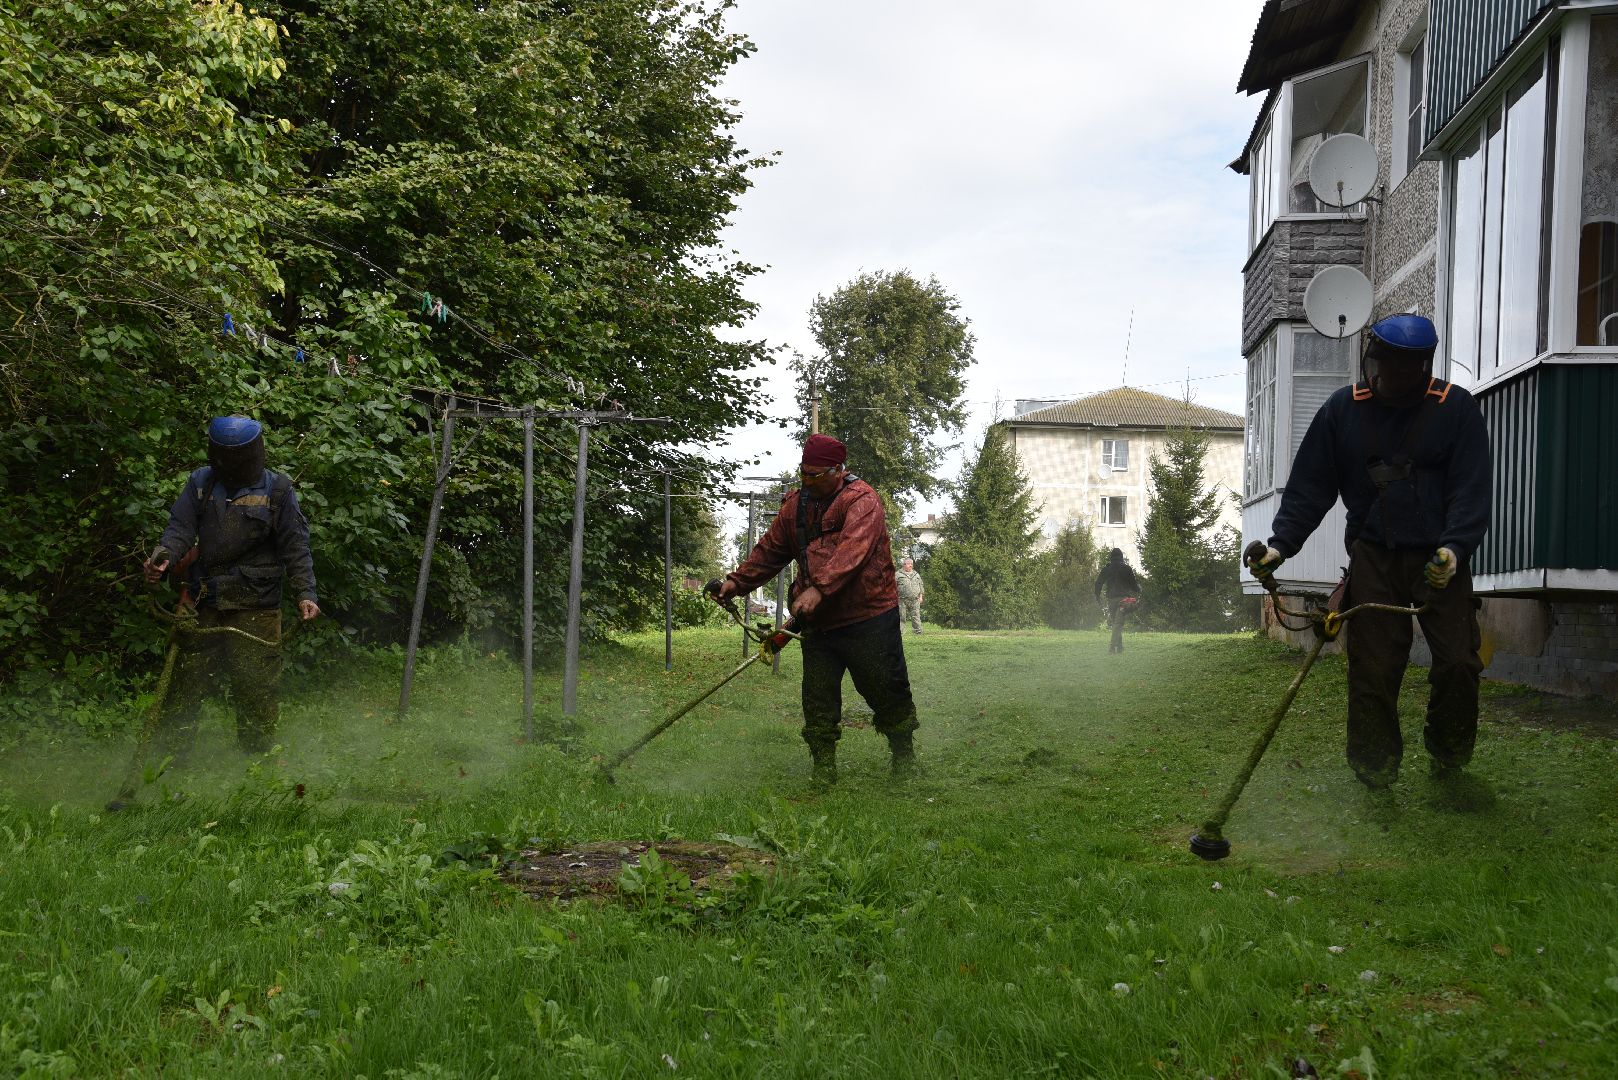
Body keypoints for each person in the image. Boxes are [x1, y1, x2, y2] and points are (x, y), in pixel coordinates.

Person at [1244, 314, 1491, 791]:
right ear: (1368, 359)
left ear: (1422, 367)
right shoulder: (1343, 410)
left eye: (1398, 369)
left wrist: (1455, 550)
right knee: (1373, 668)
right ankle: (1375, 769)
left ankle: (1449, 755)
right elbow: (1309, 489)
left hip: (1439, 558)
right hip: (1374, 556)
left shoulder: (1454, 408)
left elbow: (1471, 489)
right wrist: (1279, 546)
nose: (1384, 379)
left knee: (1459, 662)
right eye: (1377, 366)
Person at [713, 434, 918, 785]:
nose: (807, 481)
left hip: (868, 616)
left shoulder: (863, 501)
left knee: (885, 689)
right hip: (819, 623)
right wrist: (737, 583)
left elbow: (852, 552)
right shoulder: (795, 506)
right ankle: (823, 767)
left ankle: (904, 756)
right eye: (804, 473)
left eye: (815, 475)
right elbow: (771, 550)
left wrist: (819, 589)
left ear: (838, 470)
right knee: (818, 696)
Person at [141, 416, 320, 755]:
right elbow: (178, 530)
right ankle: (168, 766)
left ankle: (255, 766)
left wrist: (306, 594)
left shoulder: (277, 490)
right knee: (185, 686)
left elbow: (296, 547)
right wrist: (162, 558)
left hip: (257, 607)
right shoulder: (199, 484)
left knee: (256, 689)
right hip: (202, 601)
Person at [1093, 548, 1140, 654]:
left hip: (1111, 600)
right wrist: (1139, 589)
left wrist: (1097, 596)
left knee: (1116, 623)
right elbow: (1134, 586)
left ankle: (1119, 648)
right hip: (1124, 600)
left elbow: (1098, 583)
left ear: (1111, 558)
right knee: (1117, 624)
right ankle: (1112, 648)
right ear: (1121, 557)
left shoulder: (1107, 569)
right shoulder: (1127, 568)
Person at [895, 556, 925, 634]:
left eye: (911, 564)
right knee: (902, 617)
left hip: (915, 599)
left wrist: (921, 597)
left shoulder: (916, 574)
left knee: (916, 616)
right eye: (908, 564)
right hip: (901, 600)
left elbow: (921, 585)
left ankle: (918, 631)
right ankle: (900, 632)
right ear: (904, 565)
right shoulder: (897, 574)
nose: (911, 565)